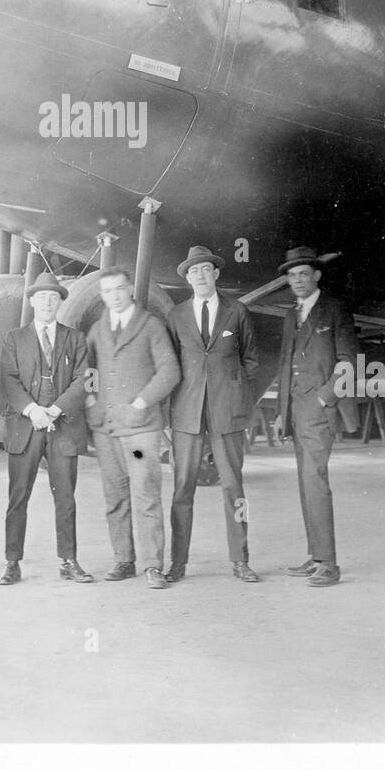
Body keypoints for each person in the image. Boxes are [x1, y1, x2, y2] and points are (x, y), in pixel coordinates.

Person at [166, 244, 260, 583]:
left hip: (227, 412)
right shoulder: (176, 315)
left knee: (234, 486)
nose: (200, 276)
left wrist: (237, 397)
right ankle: (178, 562)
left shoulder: (237, 311)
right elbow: (170, 365)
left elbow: (251, 361)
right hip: (187, 413)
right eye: (194, 271)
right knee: (182, 489)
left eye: (206, 269)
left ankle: (240, 560)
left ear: (216, 274)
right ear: (188, 279)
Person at [86, 268, 180, 590]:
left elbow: (170, 371)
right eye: (107, 291)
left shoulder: (151, 325)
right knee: (115, 498)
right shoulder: (98, 330)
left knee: (146, 497)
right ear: (102, 295)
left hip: (140, 432)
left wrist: (141, 403)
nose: (114, 295)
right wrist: (91, 402)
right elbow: (88, 372)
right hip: (107, 430)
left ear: (130, 290)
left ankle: (153, 565)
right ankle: (124, 560)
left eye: (119, 289)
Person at [0, 271, 93, 586]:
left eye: (54, 297)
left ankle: (68, 561)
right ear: (32, 301)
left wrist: (54, 409)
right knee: (18, 496)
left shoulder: (75, 338)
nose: (48, 302)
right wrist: (33, 410)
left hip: (63, 426)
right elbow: (9, 381)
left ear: (60, 302)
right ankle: (12, 563)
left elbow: (84, 380)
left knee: (65, 497)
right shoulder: (14, 338)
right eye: (42, 297)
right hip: (26, 428)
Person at [276, 246, 359, 587]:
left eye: (303, 274)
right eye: (292, 276)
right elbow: (284, 366)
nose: (297, 281)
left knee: (316, 483)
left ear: (317, 275)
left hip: (318, 410)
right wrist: (283, 412)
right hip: (295, 410)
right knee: (306, 484)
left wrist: (325, 399)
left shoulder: (335, 309)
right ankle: (316, 556)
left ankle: (329, 564)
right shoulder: (289, 316)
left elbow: (348, 362)